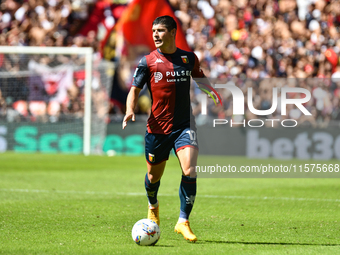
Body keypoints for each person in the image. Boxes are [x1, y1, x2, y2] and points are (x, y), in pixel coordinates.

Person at [122, 15, 218, 242]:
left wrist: (211, 92)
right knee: (153, 177)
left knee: (190, 170)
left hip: (184, 125)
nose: (155, 34)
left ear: (173, 32)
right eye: (154, 30)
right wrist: (129, 109)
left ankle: (183, 221)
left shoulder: (188, 59)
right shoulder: (148, 62)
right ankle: (152, 205)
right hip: (157, 129)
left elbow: (201, 79)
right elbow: (134, 89)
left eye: (161, 30)